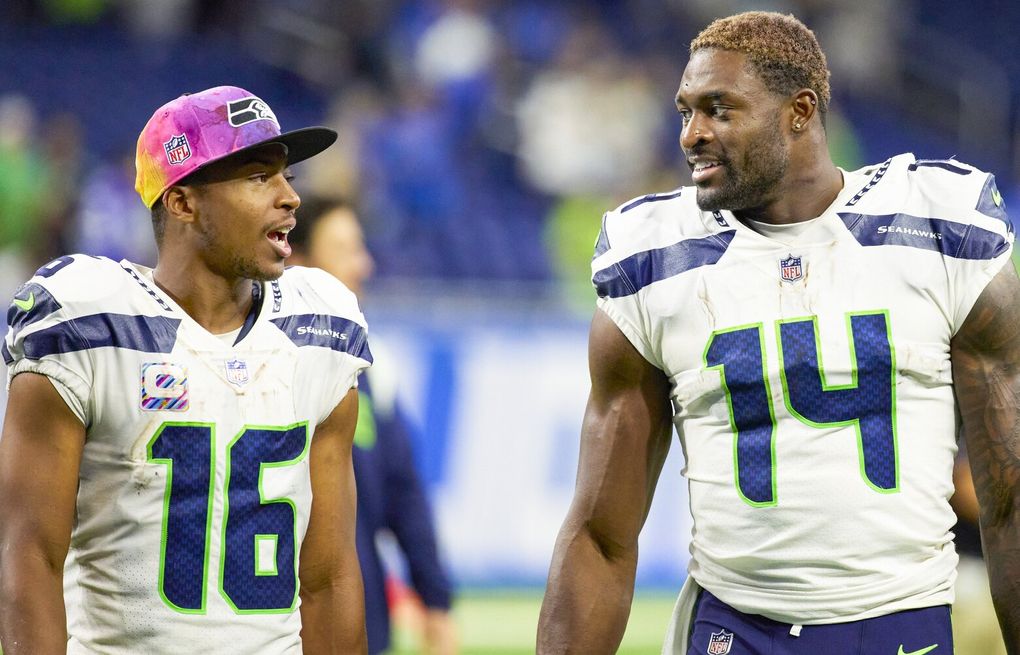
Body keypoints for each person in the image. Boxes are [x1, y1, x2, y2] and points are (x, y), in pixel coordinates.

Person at [537, 11, 1020, 655]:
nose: (692, 135)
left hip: (899, 620)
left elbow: (1010, 498)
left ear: (799, 111)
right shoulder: (653, 258)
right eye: (685, 112)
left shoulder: (934, 223)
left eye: (719, 110)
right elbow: (600, 534)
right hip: (735, 625)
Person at [0, 86, 373, 653]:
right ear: (182, 202)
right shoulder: (88, 321)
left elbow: (329, 575)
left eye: (286, 176)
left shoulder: (319, 327)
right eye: (257, 176)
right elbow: (26, 556)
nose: (289, 197)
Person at [288, 198, 457, 655]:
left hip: (360, 622)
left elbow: (404, 492)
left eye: (360, 248)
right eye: (344, 249)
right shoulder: (258, 365)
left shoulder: (370, 365)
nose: (363, 265)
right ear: (297, 261)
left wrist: (435, 599)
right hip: (278, 622)